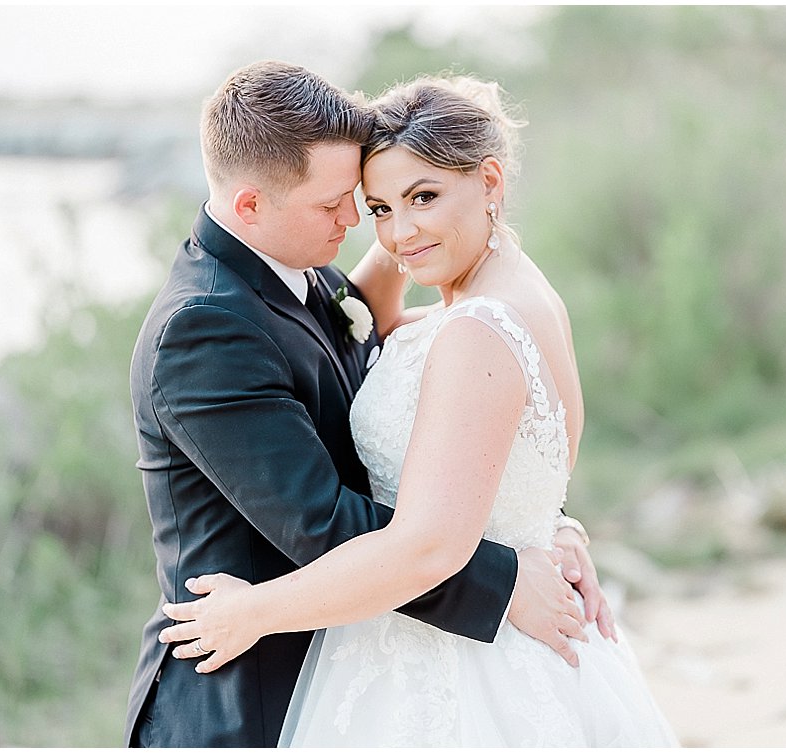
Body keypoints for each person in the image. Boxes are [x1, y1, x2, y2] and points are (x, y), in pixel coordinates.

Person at [158, 75, 678, 746]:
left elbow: (428, 543)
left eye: (423, 197)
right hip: (462, 637)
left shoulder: (475, 333)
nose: (390, 232)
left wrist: (252, 611)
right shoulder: (512, 293)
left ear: (491, 181)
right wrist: (540, 537)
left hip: (459, 670)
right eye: (373, 207)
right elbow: (366, 318)